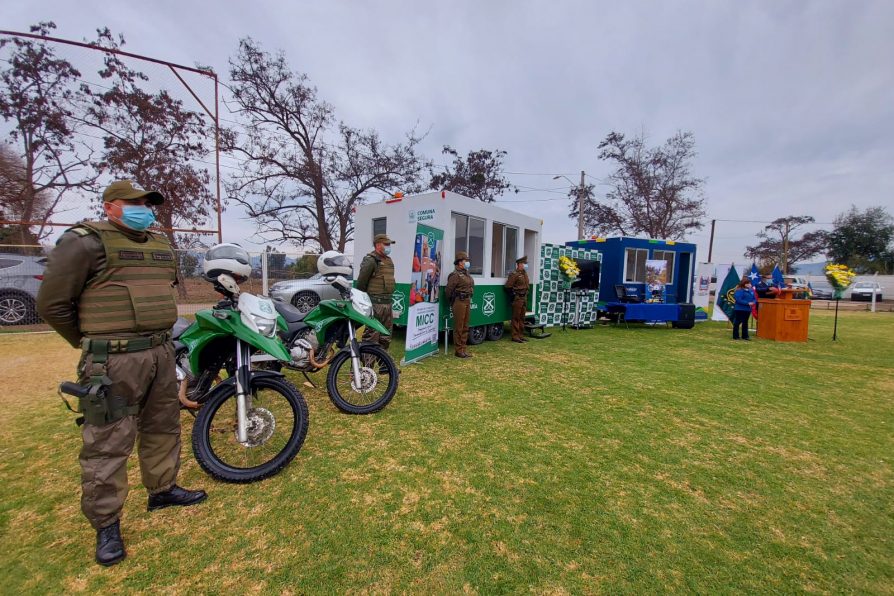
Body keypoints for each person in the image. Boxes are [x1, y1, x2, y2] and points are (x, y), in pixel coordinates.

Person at [36, 180, 207, 567]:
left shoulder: (162, 246)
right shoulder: (85, 242)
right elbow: (53, 304)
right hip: (111, 358)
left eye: (148, 203)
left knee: (163, 425)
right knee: (109, 440)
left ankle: (162, 488)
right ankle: (107, 523)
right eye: (134, 203)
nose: (144, 209)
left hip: (162, 351)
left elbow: (166, 291)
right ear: (110, 206)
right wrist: (93, 341)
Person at [355, 233, 396, 350]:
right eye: (386, 244)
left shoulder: (388, 260)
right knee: (371, 336)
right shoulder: (371, 260)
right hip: (375, 304)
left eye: (389, 244)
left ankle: (384, 366)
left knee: (386, 336)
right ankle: (367, 367)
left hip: (387, 303)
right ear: (378, 245)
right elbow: (361, 283)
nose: (389, 247)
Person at [445, 251, 475, 358]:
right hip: (459, 301)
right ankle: (458, 350)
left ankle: (463, 348)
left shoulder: (466, 274)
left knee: (466, 326)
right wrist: (453, 301)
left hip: (467, 301)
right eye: (465, 261)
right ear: (459, 263)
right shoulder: (455, 275)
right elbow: (448, 290)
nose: (467, 262)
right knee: (459, 326)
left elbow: (471, 285)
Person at [504, 255, 530, 343]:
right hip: (518, 298)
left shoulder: (524, 274)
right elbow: (508, 287)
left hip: (524, 298)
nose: (525, 265)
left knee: (522, 317)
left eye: (525, 263)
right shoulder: (514, 274)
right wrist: (514, 295)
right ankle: (515, 336)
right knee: (516, 318)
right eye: (524, 263)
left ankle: (520, 335)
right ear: (519, 264)